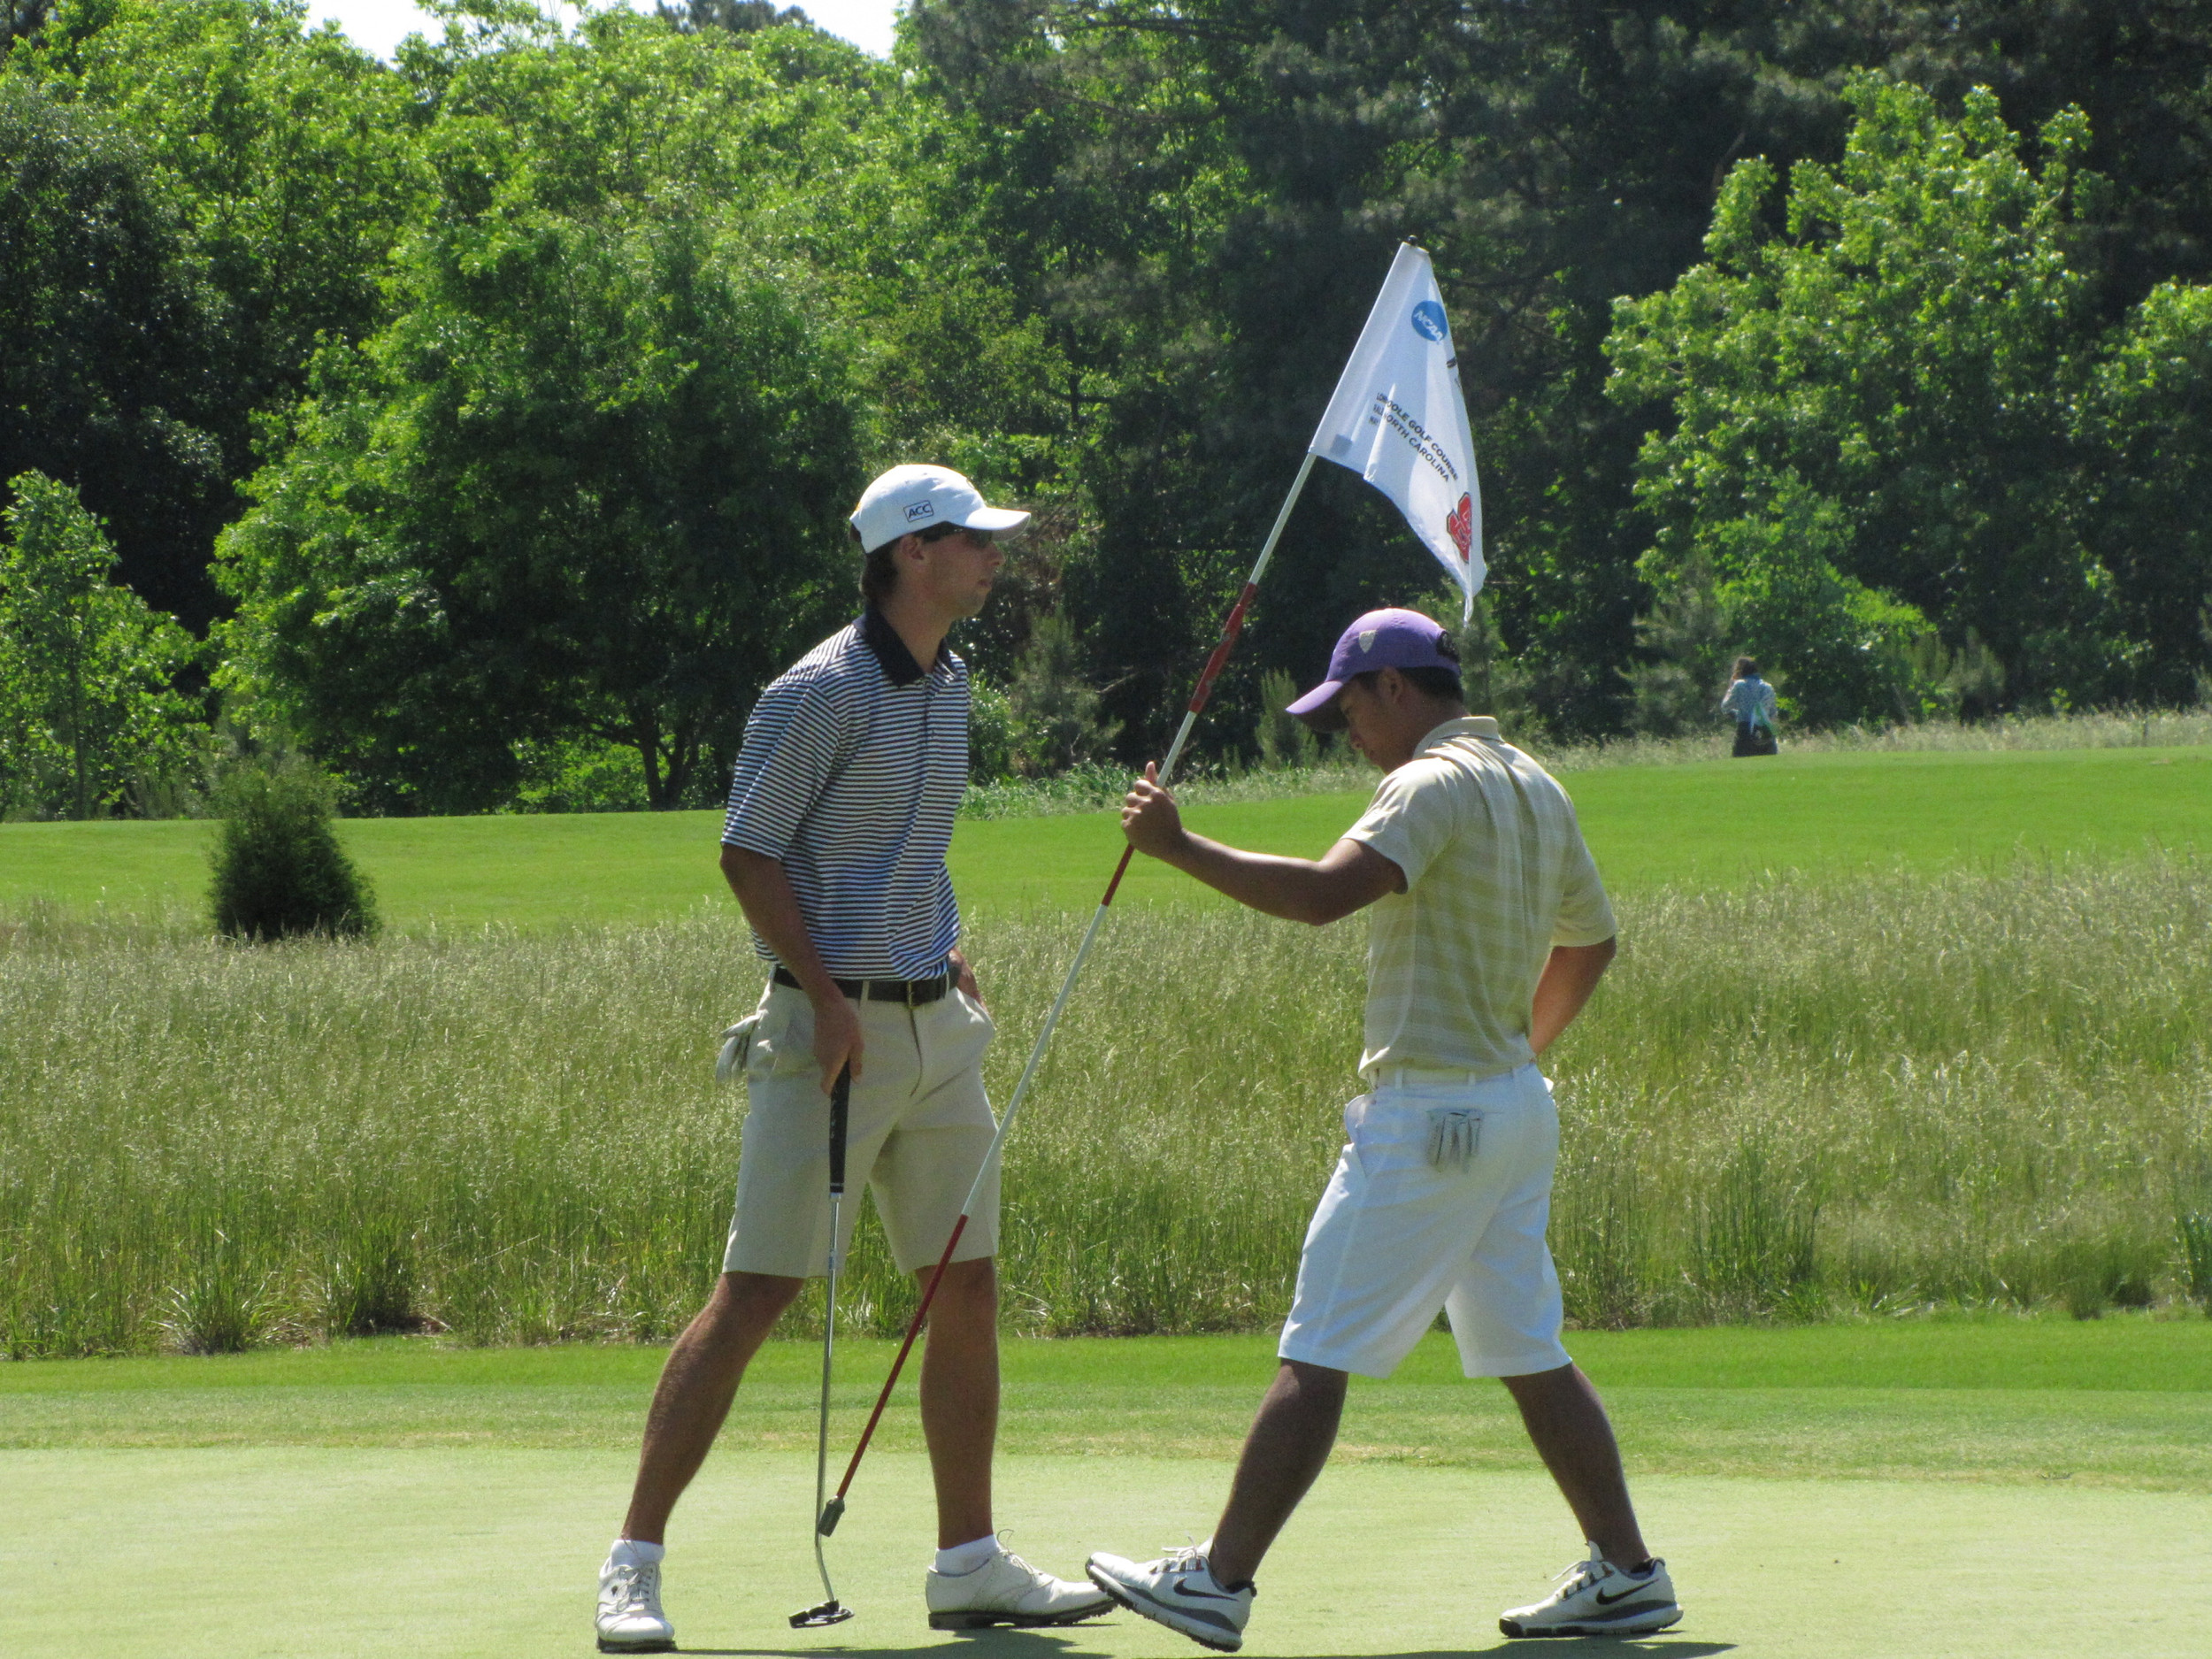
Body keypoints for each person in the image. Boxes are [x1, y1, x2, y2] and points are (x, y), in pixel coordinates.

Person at [1084, 607, 1680, 1648]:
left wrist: (1177, 847)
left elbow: (1322, 897)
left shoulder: (1429, 783)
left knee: (1318, 1348)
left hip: (1429, 1121)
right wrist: (1515, 1055)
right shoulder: (1536, 781)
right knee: (1528, 1350)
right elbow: (1591, 944)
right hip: (1506, 1110)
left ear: (1395, 688)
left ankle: (1219, 1583)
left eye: (1347, 707)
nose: (1344, 729)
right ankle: (1629, 1573)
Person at [595, 465, 1111, 1653]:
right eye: (972, 540)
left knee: (963, 1280)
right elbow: (749, 853)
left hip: (937, 1026)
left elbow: (902, 847)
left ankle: (969, 1560)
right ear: (909, 554)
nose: (993, 555)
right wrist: (826, 995)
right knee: (758, 1290)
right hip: (828, 1034)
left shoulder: (952, 682)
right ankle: (633, 1559)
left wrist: (949, 943)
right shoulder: (816, 690)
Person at [1721, 656, 1778, 757]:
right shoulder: (1767, 688)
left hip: (1745, 730)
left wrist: (1731, 686)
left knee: (1740, 766)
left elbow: (1725, 707)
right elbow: (1773, 713)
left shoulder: (1739, 685)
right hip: (1765, 730)